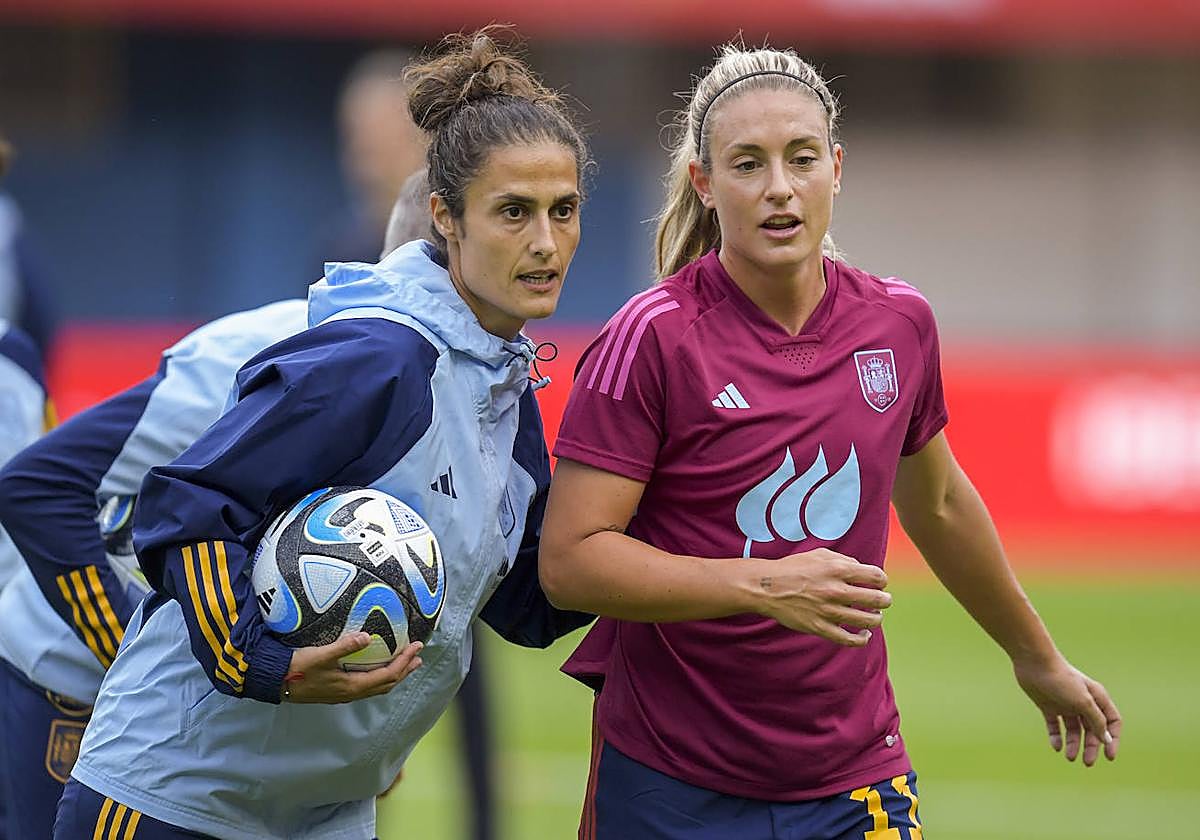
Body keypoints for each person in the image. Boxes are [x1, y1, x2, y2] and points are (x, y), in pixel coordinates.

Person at [538, 44, 1122, 839]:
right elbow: (571, 561)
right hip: (670, 780)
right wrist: (763, 586)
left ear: (835, 168)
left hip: (854, 777)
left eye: (801, 158)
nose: (780, 187)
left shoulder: (898, 323)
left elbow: (941, 504)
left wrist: (1037, 657)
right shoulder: (652, 339)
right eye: (748, 163)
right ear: (706, 185)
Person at [53, 29, 592, 840]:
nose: (546, 242)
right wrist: (256, 662)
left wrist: (656, 513)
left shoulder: (502, 386)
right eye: (513, 211)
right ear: (444, 218)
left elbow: (526, 606)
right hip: (175, 794)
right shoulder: (379, 356)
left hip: (325, 811)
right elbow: (189, 503)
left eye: (565, 210)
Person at [0, 298, 308, 840]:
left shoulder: (449, 376)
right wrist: (138, 670)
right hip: (73, 681)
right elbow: (34, 487)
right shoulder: (278, 350)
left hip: (222, 706)